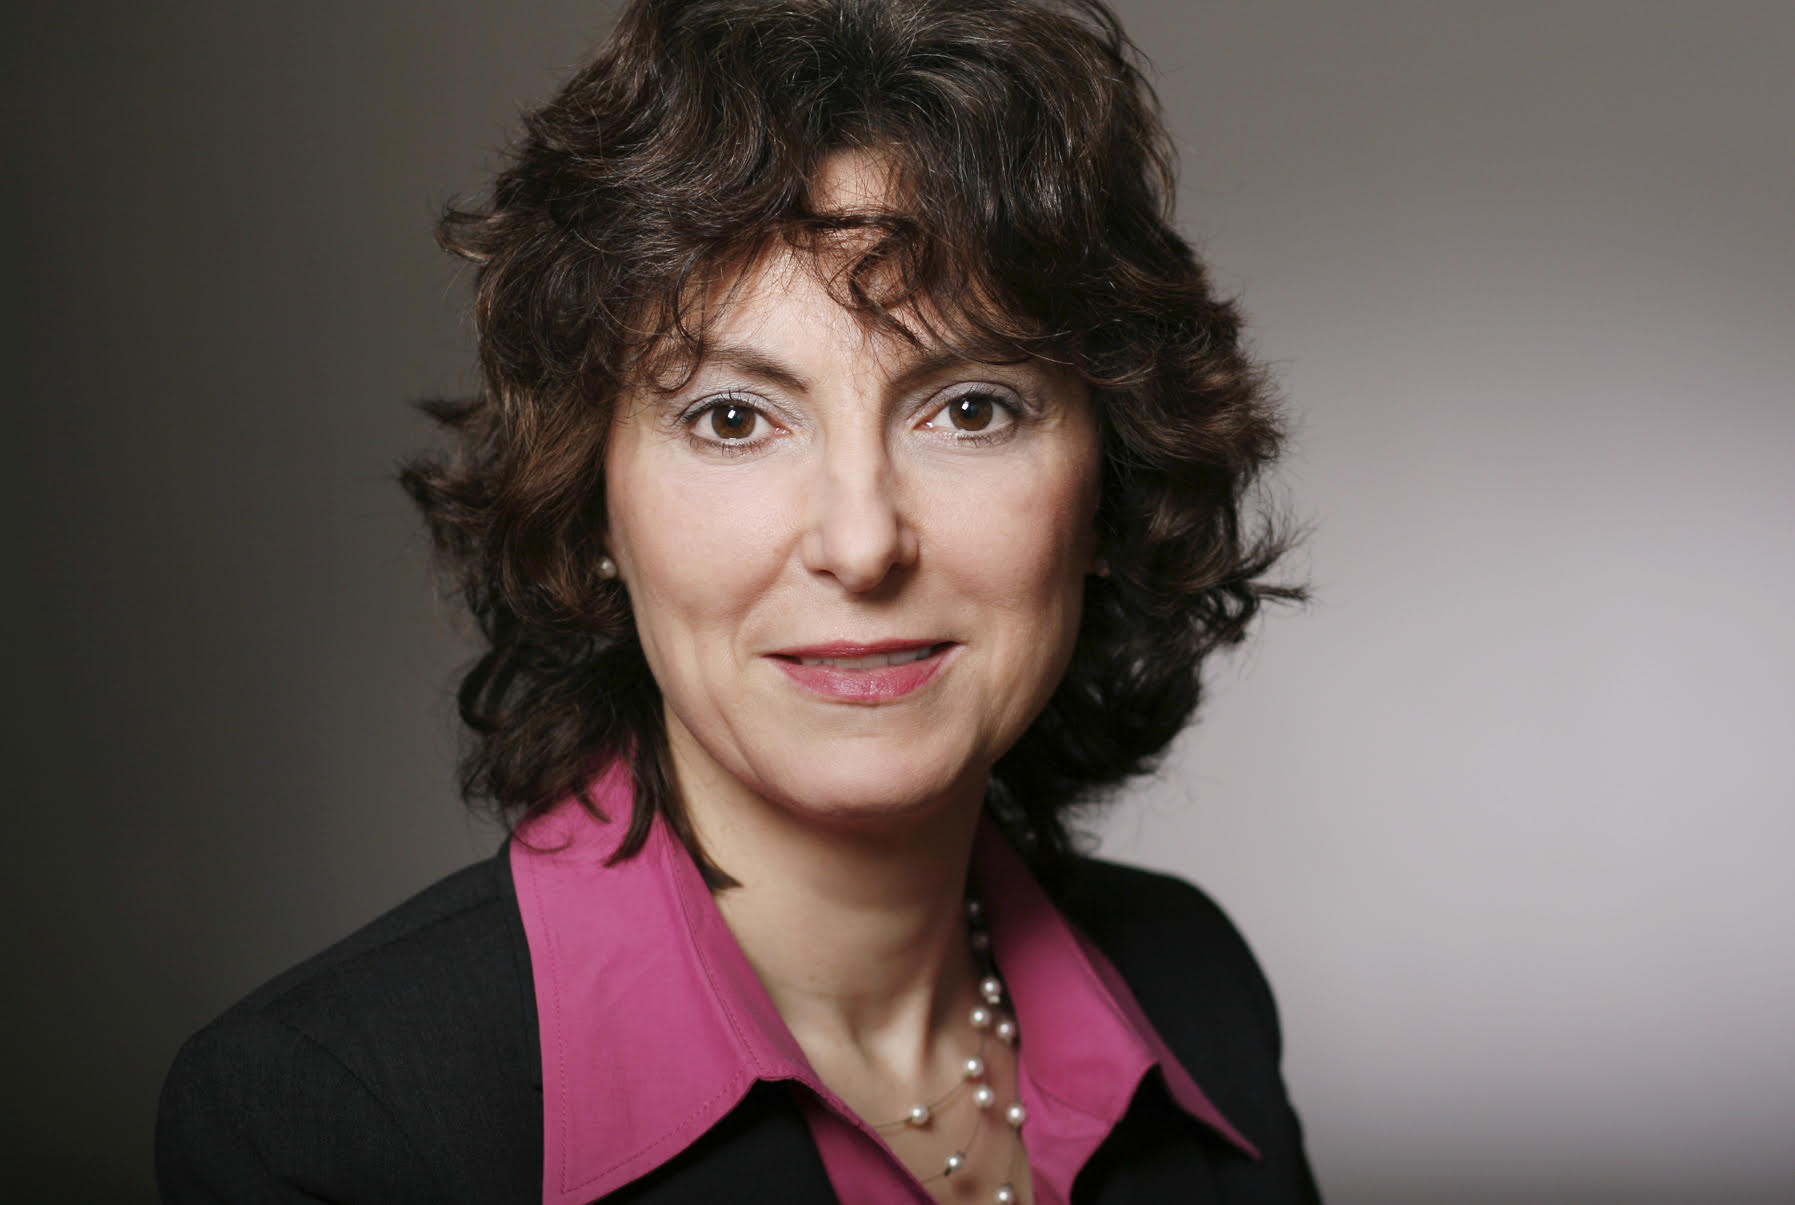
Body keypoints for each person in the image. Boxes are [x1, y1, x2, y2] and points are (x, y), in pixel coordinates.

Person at [156, 0, 1319, 1201]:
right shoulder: (337, 1119)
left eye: (970, 408)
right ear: (590, 507)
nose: (860, 544)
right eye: (732, 418)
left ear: (1107, 485)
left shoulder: (1194, 987)